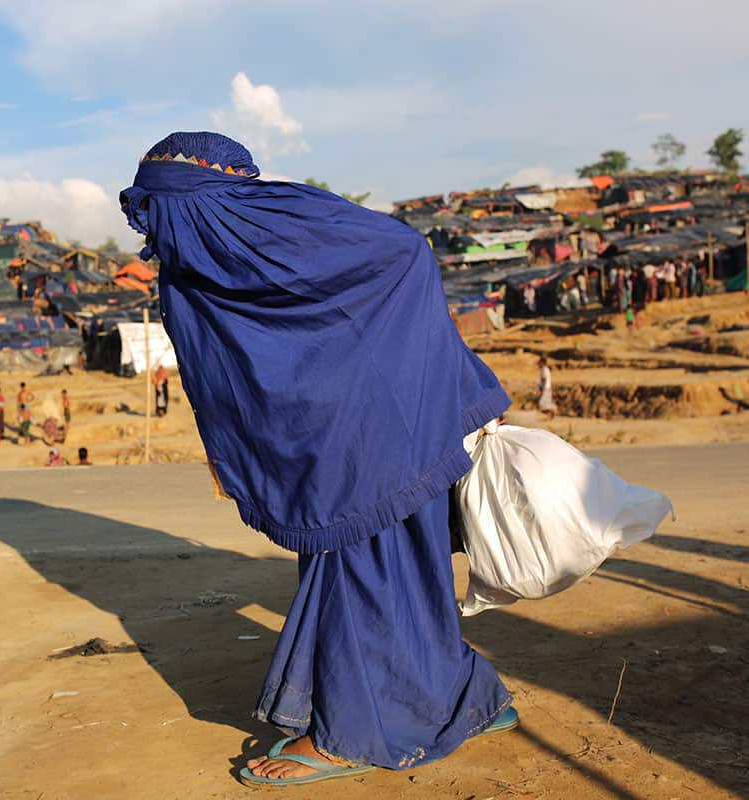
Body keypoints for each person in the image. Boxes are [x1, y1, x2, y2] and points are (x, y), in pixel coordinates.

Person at [120, 132, 518, 789]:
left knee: (365, 574)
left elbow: (404, 254)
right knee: (402, 574)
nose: (157, 229)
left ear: (205, 198)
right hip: (350, 432)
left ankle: (354, 734)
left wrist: (425, 373)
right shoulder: (217, 257)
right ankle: (466, 701)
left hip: (372, 428)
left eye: (161, 209)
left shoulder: (282, 224)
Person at [537, 355, 557, 420]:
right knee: (544, 404)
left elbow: (545, 380)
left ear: (542, 363)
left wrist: (543, 390)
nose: (538, 364)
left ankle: (553, 410)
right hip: (546, 389)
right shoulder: (544, 370)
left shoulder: (545, 370)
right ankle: (550, 415)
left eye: (539, 363)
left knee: (542, 405)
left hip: (545, 390)